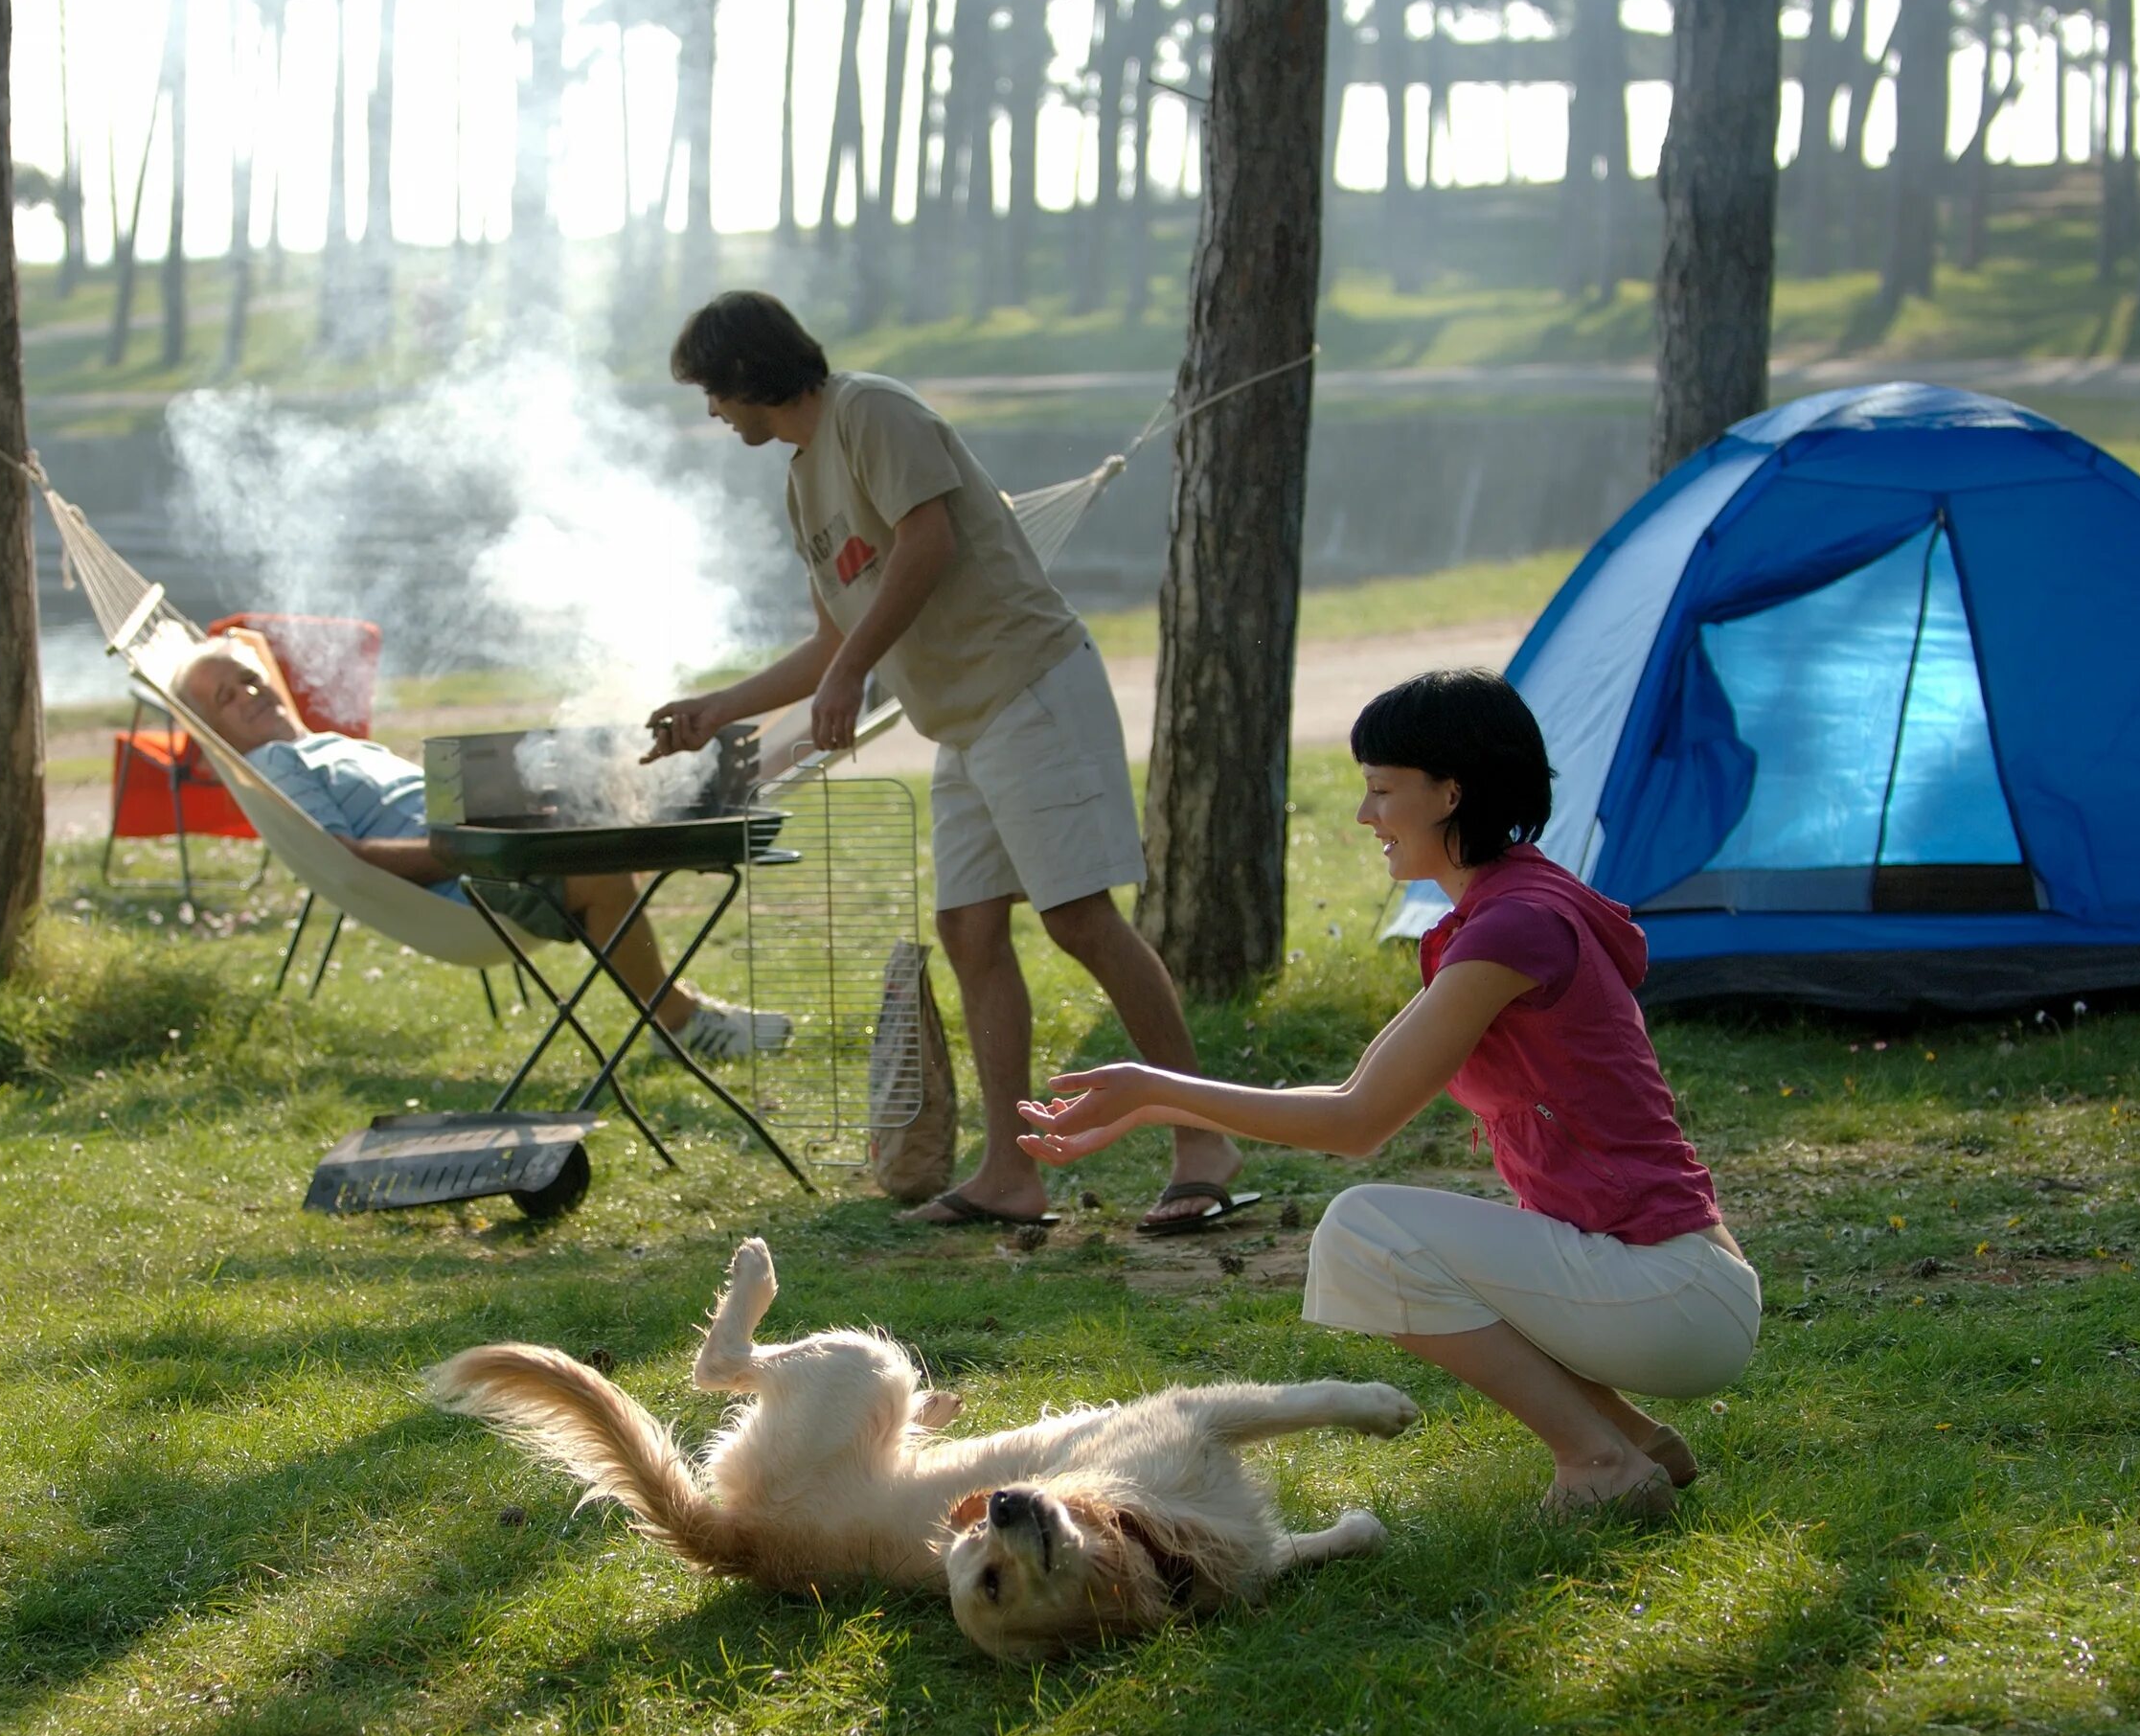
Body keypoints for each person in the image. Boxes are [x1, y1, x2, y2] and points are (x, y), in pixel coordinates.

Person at [1018, 671, 1761, 1521]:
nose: (1366, 816)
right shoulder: (1509, 905)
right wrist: (1152, 1104)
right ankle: (1633, 1437)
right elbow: (1350, 1090)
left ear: (1452, 792)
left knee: (1367, 1232)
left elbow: (1357, 1124)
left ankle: (1599, 1460)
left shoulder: (1514, 926)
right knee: (1388, 1238)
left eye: (1381, 790)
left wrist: (1153, 1082)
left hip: (1673, 1296)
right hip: (1673, 1285)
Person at [647, 289, 1245, 1235]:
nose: (713, 415)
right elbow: (828, 640)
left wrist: (850, 671)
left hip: (1028, 683)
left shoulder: (870, 412)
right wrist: (718, 710)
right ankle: (1011, 1171)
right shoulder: (804, 480)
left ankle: (1204, 1137)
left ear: (749, 374)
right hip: (964, 721)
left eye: (715, 394)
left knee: (1082, 920)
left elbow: (932, 541)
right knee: (969, 930)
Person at [171, 638, 789, 1062]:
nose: (249, 693)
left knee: (603, 785)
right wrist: (465, 850)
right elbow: (345, 856)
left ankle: (724, 800)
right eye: (227, 697)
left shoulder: (323, 744)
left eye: (249, 678)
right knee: (602, 867)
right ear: (213, 734)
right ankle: (679, 1022)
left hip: (485, 839)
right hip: (470, 876)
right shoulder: (276, 763)